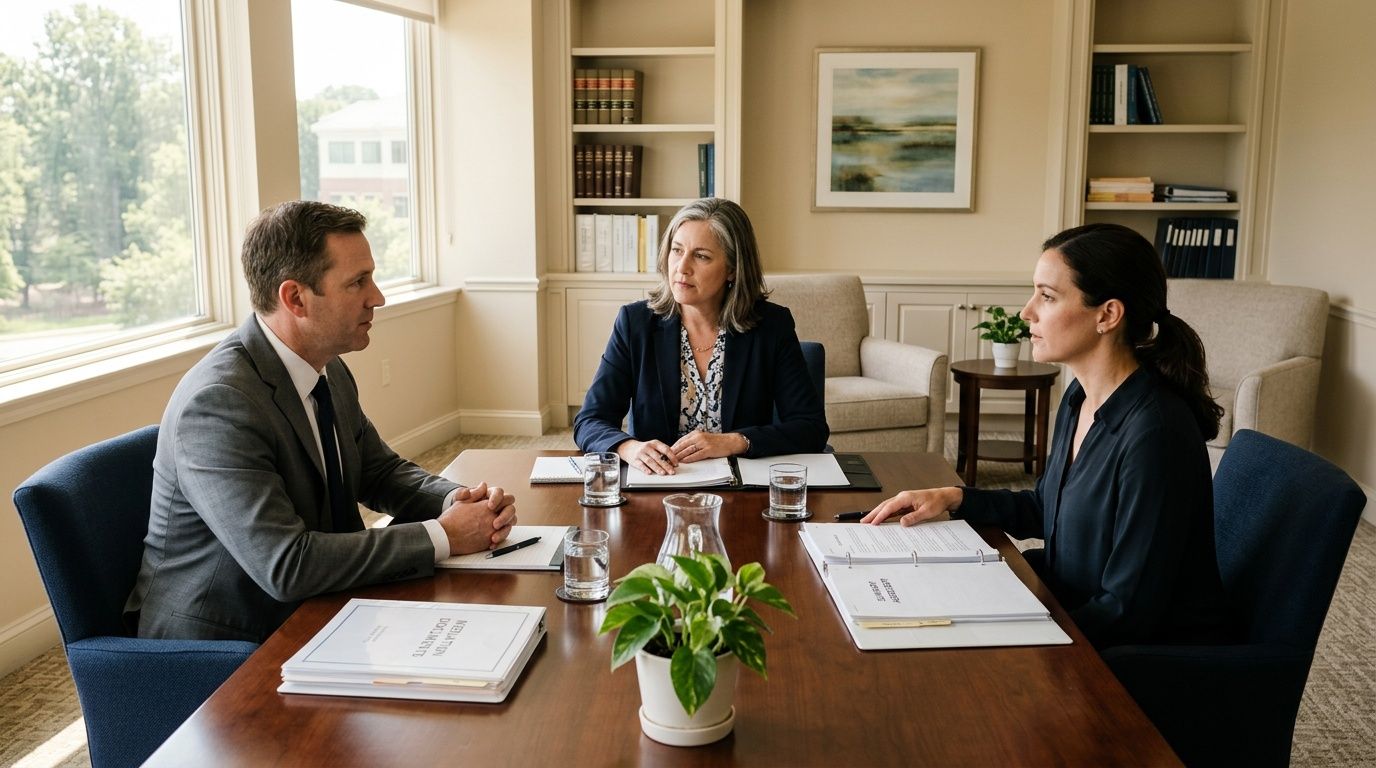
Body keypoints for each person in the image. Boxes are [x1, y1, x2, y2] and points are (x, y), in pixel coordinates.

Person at [125, 201, 516, 643]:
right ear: (295, 299)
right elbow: (286, 564)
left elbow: (378, 471)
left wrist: (457, 500)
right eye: (358, 282)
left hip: (319, 602)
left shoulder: (326, 366)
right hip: (229, 641)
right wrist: (442, 536)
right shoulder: (218, 404)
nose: (378, 297)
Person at [863, 223, 1227, 648]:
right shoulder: (1079, 397)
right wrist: (954, 497)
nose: (1027, 312)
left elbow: (1127, 611)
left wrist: (1011, 638)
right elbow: (1047, 508)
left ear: (1107, 315)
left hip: (1133, 659)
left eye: (1047, 296)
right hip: (1073, 612)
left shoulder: (1156, 433)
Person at [574, 198, 828, 474]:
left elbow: (811, 428)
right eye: (677, 250)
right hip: (660, 483)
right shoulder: (635, 323)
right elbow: (590, 421)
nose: (682, 267)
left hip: (741, 484)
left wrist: (734, 442)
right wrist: (628, 447)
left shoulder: (772, 326)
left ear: (732, 268)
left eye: (701, 256)